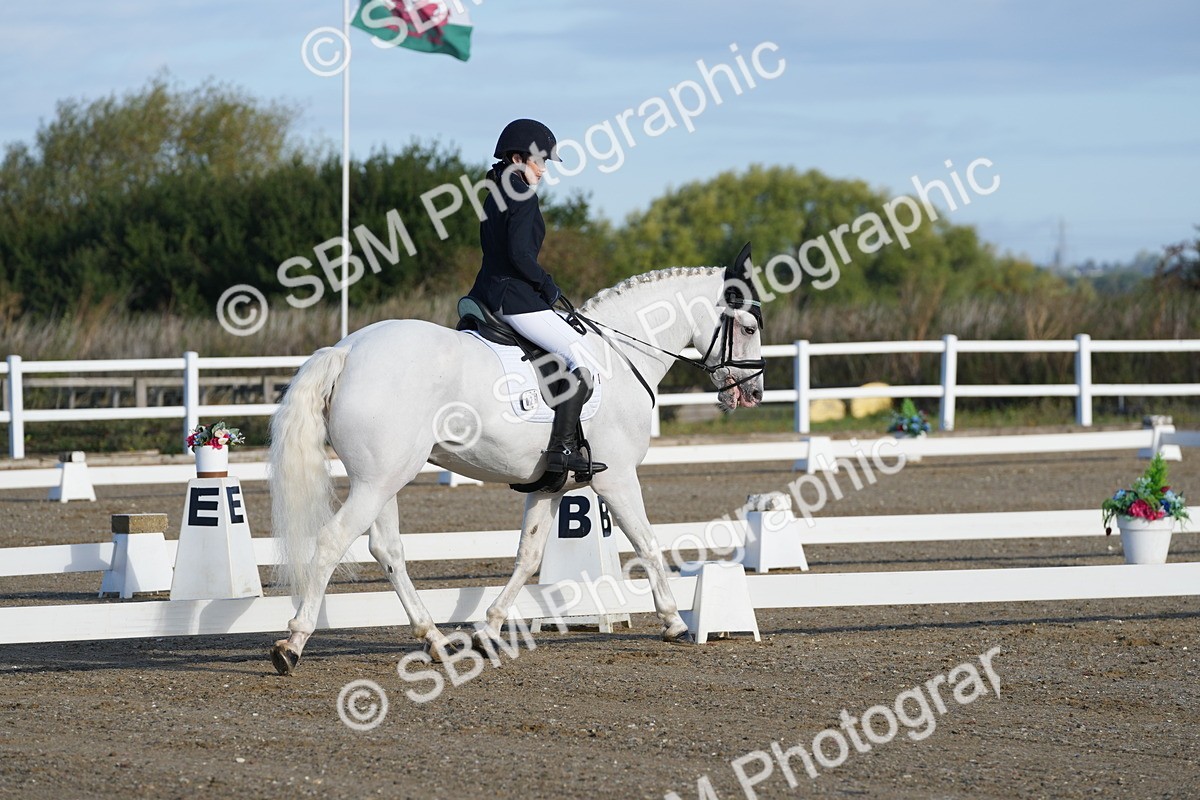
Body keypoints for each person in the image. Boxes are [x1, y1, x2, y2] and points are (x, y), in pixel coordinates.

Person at [468, 118, 606, 478]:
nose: (543, 171)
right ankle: (562, 448)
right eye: (539, 162)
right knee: (580, 357)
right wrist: (547, 285)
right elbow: (519, 255)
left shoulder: (494, 190)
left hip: (485, 292)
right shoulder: (522, 195)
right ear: (519, 157)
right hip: (514, 298)